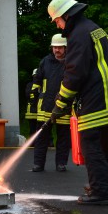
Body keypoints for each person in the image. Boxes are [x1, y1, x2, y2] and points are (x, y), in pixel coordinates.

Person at [47, 0, 108, 205]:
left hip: (96, 99)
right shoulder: (92, 28)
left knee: (91, 145)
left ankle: (100, 192)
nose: (57, 26)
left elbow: (75, 74)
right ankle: (102, 186)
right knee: (102, 144)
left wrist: (59, 105)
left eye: (57, 20)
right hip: (107, 97)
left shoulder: (79, 35)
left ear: (65, 15)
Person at [31, 34, 71, 172]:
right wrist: (33, 95)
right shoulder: (45, 61)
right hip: (45, 106)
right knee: (41, 138)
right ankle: (38, 164)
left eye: (59, 47)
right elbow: (37, 80)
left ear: (65, 48)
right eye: (54, 47)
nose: (57, 50)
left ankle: (61, 163)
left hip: (64, 106)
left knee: (63, 138)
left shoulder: (71, 62)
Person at [24, 68, 40, 137]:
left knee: (34, 129)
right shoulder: (32, 85)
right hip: (34, 111)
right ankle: (33, 143)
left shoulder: (29, 85)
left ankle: (33, 143)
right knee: (34, 129)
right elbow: (28, 95)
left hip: (36, 111)